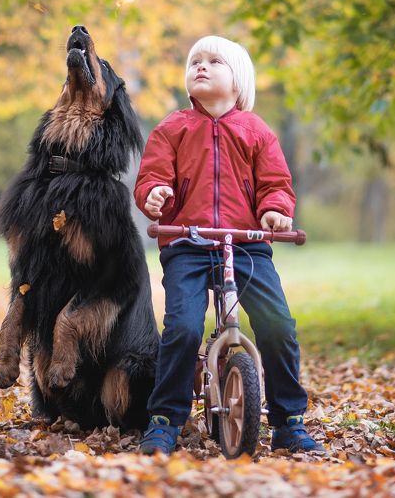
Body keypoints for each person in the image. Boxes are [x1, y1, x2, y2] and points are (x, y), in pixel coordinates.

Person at [133, 35, 324, 455]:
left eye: (213, 61)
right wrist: (154, 195)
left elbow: (276, 184)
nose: (201, 66)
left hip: (247, 244)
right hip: (188, 241)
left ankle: (290, 421)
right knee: (182, 328)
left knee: (278, 325)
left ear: (238, 79)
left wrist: (275, 211)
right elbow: (152, 177)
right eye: (194, 61)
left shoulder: (256, 131)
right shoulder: (173, 128)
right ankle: (165, 419)